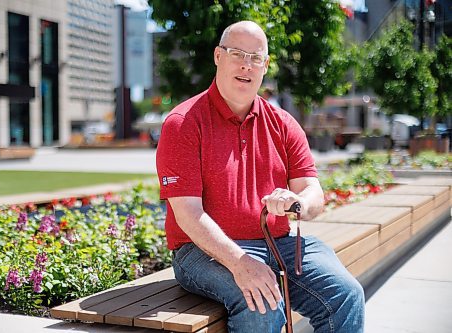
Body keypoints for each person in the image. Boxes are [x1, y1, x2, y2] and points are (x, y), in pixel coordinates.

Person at [156, 21, 365, 333]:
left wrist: (298, 203)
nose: (246, 64)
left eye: (256, 57)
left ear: (266, 65)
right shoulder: (183, 123)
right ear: (217, 56)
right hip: (201, 251)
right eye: (237, 53)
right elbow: (187, 215)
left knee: (347, 294)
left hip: (278, 243)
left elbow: (312, 191)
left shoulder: (283, 123)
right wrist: (240, 263)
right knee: (263, 306)